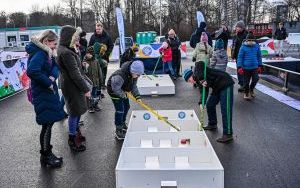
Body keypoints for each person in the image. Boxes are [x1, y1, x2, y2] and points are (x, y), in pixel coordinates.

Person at [26, 30, 65, 167]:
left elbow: (55, 66)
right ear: (46, 41)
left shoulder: (47, 52)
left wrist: (52, 76)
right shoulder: (40, 53)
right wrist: (48, 82)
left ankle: (47, 153)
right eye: (54, 44)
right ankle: (46, 155)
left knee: (48, 124)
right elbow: (31, 71)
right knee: (47, 125)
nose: (55, 47)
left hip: (47, 93)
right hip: (43, 93)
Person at [57, 25, 92, 152]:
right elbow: (75, 74)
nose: (77, 40)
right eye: (75, 38)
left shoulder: (66, 49)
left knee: (76, 110)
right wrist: (86, 89)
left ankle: (76, 133)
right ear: (68, 37)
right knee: (74, 112)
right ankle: (72, 140)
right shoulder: (66, 52)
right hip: (72, 86)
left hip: (71, 84)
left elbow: (76, 71)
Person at [183, 62, 234, 143]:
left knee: (225, 109)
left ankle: (228, 134)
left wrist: (202, 79)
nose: (191, 82)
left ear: (191, 75)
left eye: (189, 80)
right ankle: (212, 124)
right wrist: (201, 103)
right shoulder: (198, 82)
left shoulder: (197, 70)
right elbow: (204, 92)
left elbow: (200, 63)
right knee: (210, 105)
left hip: (225, 83)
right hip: (217, 88)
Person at [107, 60, 144, 140]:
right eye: (138, 75)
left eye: (139, 75)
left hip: (123, 90)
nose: (138, 76)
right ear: (132, 71)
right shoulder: (119, 76)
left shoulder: (134, 75)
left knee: (127, 106)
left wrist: (137, 96)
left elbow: (133, 86)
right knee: (120, 110)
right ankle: (118, 130)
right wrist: (124, 95)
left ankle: (122, 122)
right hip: (114, 92)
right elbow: (115, 89)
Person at [237, 33, 263, 100]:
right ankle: (246, 93)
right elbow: (240, 57)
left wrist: (260, 65)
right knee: (246, 82)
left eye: (252, 40)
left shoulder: (256, 46)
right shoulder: (243, 47)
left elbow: (259, 56)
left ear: (254, 40)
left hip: (255, 67)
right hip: (245, 68)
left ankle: (251, 89)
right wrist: (239, 67)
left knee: (256, 79)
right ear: (246, 40)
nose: (250, 41)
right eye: (249, 40)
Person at [88, 22, 114, 89]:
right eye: (97, 29)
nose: (98, 31)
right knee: (96, 72)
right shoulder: (93, 37)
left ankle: (102, 84)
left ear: (102, 28)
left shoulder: (107, 36)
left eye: (99, 29)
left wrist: (106, 54)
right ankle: (97, 85)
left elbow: (111, 46)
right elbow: (89, 46)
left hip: (104, 57)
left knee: (104, 72)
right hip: (95, 58)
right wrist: (91, 54)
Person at [82, 46, 102, 113]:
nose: (89, 55)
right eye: (87, 53)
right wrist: (85, 68)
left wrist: (100, 80)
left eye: (90, 53)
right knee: (89, 95)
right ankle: (90, 107)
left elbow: (99, 71)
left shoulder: (96, 61)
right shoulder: (84, 62)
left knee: (95, 94)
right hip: (88, 83)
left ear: (92, 54)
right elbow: (83, 73)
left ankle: (95, 105)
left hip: (95, 81)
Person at [231, 20, 248, 92]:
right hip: (238, 56)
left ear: (242, 28)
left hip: (245, 56)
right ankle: (241, 84)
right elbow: (234, 46)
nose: (236, 28)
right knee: (239, 70)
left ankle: (245, 84)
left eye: (237, 27)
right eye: (236, 27)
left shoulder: (246, 35)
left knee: (245, 70)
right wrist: (233, 55)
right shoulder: (235, 35)